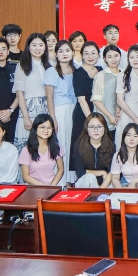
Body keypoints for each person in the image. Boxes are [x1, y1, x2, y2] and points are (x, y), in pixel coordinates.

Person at [43, 40, 76, 184]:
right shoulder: (51, 71)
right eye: (61, 51)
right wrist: (53, 119)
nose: (64, 54)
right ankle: (59, 181)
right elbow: (49, 97)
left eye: (67, 50)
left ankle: (70, 180)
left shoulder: (77, 69)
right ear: (56, 54)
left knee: (72, 144)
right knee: (61, 143)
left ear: (73, 52)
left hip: (74, 110)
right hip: (59, 111)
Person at [14, 33, 50, 152]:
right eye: (34, 45)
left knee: (44, 147)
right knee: (27, 148)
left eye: (41, 45)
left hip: (45, 111)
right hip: (28, 111)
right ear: (28, 47)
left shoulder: (49, 66)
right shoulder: (22, 65)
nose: (37, 48)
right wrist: (26, 117)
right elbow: (19, 94)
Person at [19, 114, 64, 186]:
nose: (46, 130)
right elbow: (25, 177)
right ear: (35, 128)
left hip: (52, 185)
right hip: (34, 187)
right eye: (42, 127)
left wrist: (52, 185)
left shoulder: (56, 146)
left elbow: (61, 169)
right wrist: (44, 186)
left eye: (49, 128)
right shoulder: (26, 150)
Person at [72, 42, 102, 152]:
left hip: (99, 112)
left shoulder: (100, 70)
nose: (90, 56)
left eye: (93, 53)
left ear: (98, 55)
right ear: (82, 56)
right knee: (82, 146)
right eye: (86, 53)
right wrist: (91, 120)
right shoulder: (78, 73)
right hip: (83, 114)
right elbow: (81, 100)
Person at [115, 45, 138, 147]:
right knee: (125, 143)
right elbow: (120, 100)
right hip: (128, 113)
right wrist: (135, 118)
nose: (135, 60)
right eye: (132, 57)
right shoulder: (123, 75)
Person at [73, 112, 115, 188]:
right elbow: (80, 172)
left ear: (104, 128)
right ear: (87, 129)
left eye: (99, 126)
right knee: (90, 177)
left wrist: (101, 189)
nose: (96, 130)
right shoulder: (79, 145)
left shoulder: (111, 146)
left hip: (105, 182)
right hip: (85, 182)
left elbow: (111, 172)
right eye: (92, 127)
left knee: (113, 183)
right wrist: (102, 172)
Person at [91, 45, 121, 131]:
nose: (113, 59)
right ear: (104, 59)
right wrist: (109, 116)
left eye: (116, 56)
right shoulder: (101, 75)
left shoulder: (124, 73)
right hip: (105, 118)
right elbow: (96, 100)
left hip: (121, 118)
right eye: (110, 57)